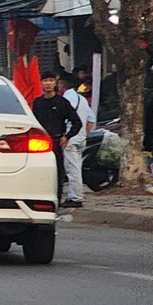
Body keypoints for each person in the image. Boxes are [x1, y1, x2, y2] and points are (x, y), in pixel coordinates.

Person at [29, 80, 83, 213]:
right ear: (41, 84)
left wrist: (67, 136)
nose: (48, 84)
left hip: (56, 141)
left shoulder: (61, 102)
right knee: (37, 171)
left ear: (55, 84)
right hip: (39, 142)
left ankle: (56, 202)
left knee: (57, 172)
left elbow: (77, 122)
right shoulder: (37, 102)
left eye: (50, 81)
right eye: (45, 81)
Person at [60, 70, 93, 207]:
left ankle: (75, 197)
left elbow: (65, 118)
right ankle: (74, 195)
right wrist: (83, 134)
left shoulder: (67, 100)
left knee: (72, 169)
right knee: (76, 167)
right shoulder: (82, 99)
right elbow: (91, 119)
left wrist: (68, 136)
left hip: (70, 139)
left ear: (62, 85)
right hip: (80, 138)